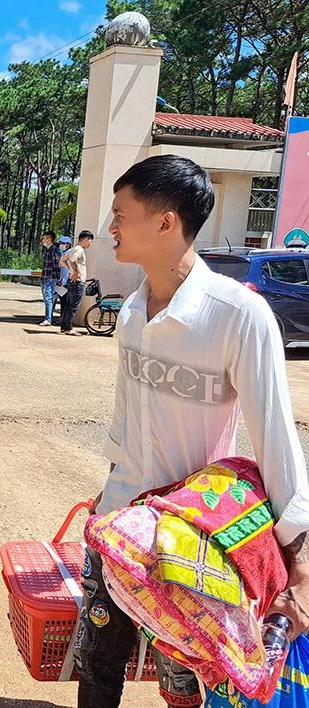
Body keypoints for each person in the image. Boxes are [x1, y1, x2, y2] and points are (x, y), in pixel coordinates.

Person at [75, 154, 309, 707]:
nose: (109, 227)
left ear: (165, 222)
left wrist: (299, 559)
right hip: (121, 523)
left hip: (190, 540)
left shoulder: (237, 315)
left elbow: (275, 436)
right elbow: (125, 417)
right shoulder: (133, 311)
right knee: (98, 658)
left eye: (120, 214)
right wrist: (108, 496)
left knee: (185, 681)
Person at [58, 229, 93, 335]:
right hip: (77, 281)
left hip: (72, 280)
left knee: (69, 304)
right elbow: (73, 260)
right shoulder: (79, 250)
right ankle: (68, 328)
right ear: (86, 239)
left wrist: (70, 270)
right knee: (74, 305)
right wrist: (76, 272)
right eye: (90, 241)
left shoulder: (72, 249)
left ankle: (64, 327)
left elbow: (62, 260)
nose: (90, 244)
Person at [39, 230, 61, 326]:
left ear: (49, 239)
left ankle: (48, 319)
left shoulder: (54, 250)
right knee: (47, 298)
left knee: (48, 298)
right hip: (45, 276)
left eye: (45, 238)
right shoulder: (48, 250)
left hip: (50, 277)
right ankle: (48, 318)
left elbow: (57, 264)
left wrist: (58, 277)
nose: (43, 240)